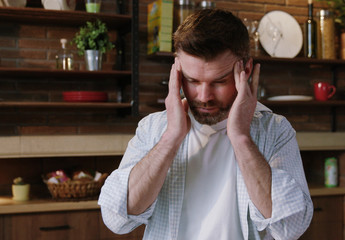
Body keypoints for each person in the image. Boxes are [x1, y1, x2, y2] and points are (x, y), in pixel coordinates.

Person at [99, 9, 313, 240]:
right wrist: (171, 137)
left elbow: (290, 228)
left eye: (219, 81)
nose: (204, 96)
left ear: (246, 70)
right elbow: (117, 220)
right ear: (177, 71)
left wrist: (241, 138)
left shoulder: (276, 130)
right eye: (192, 80)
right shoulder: (152, 129)